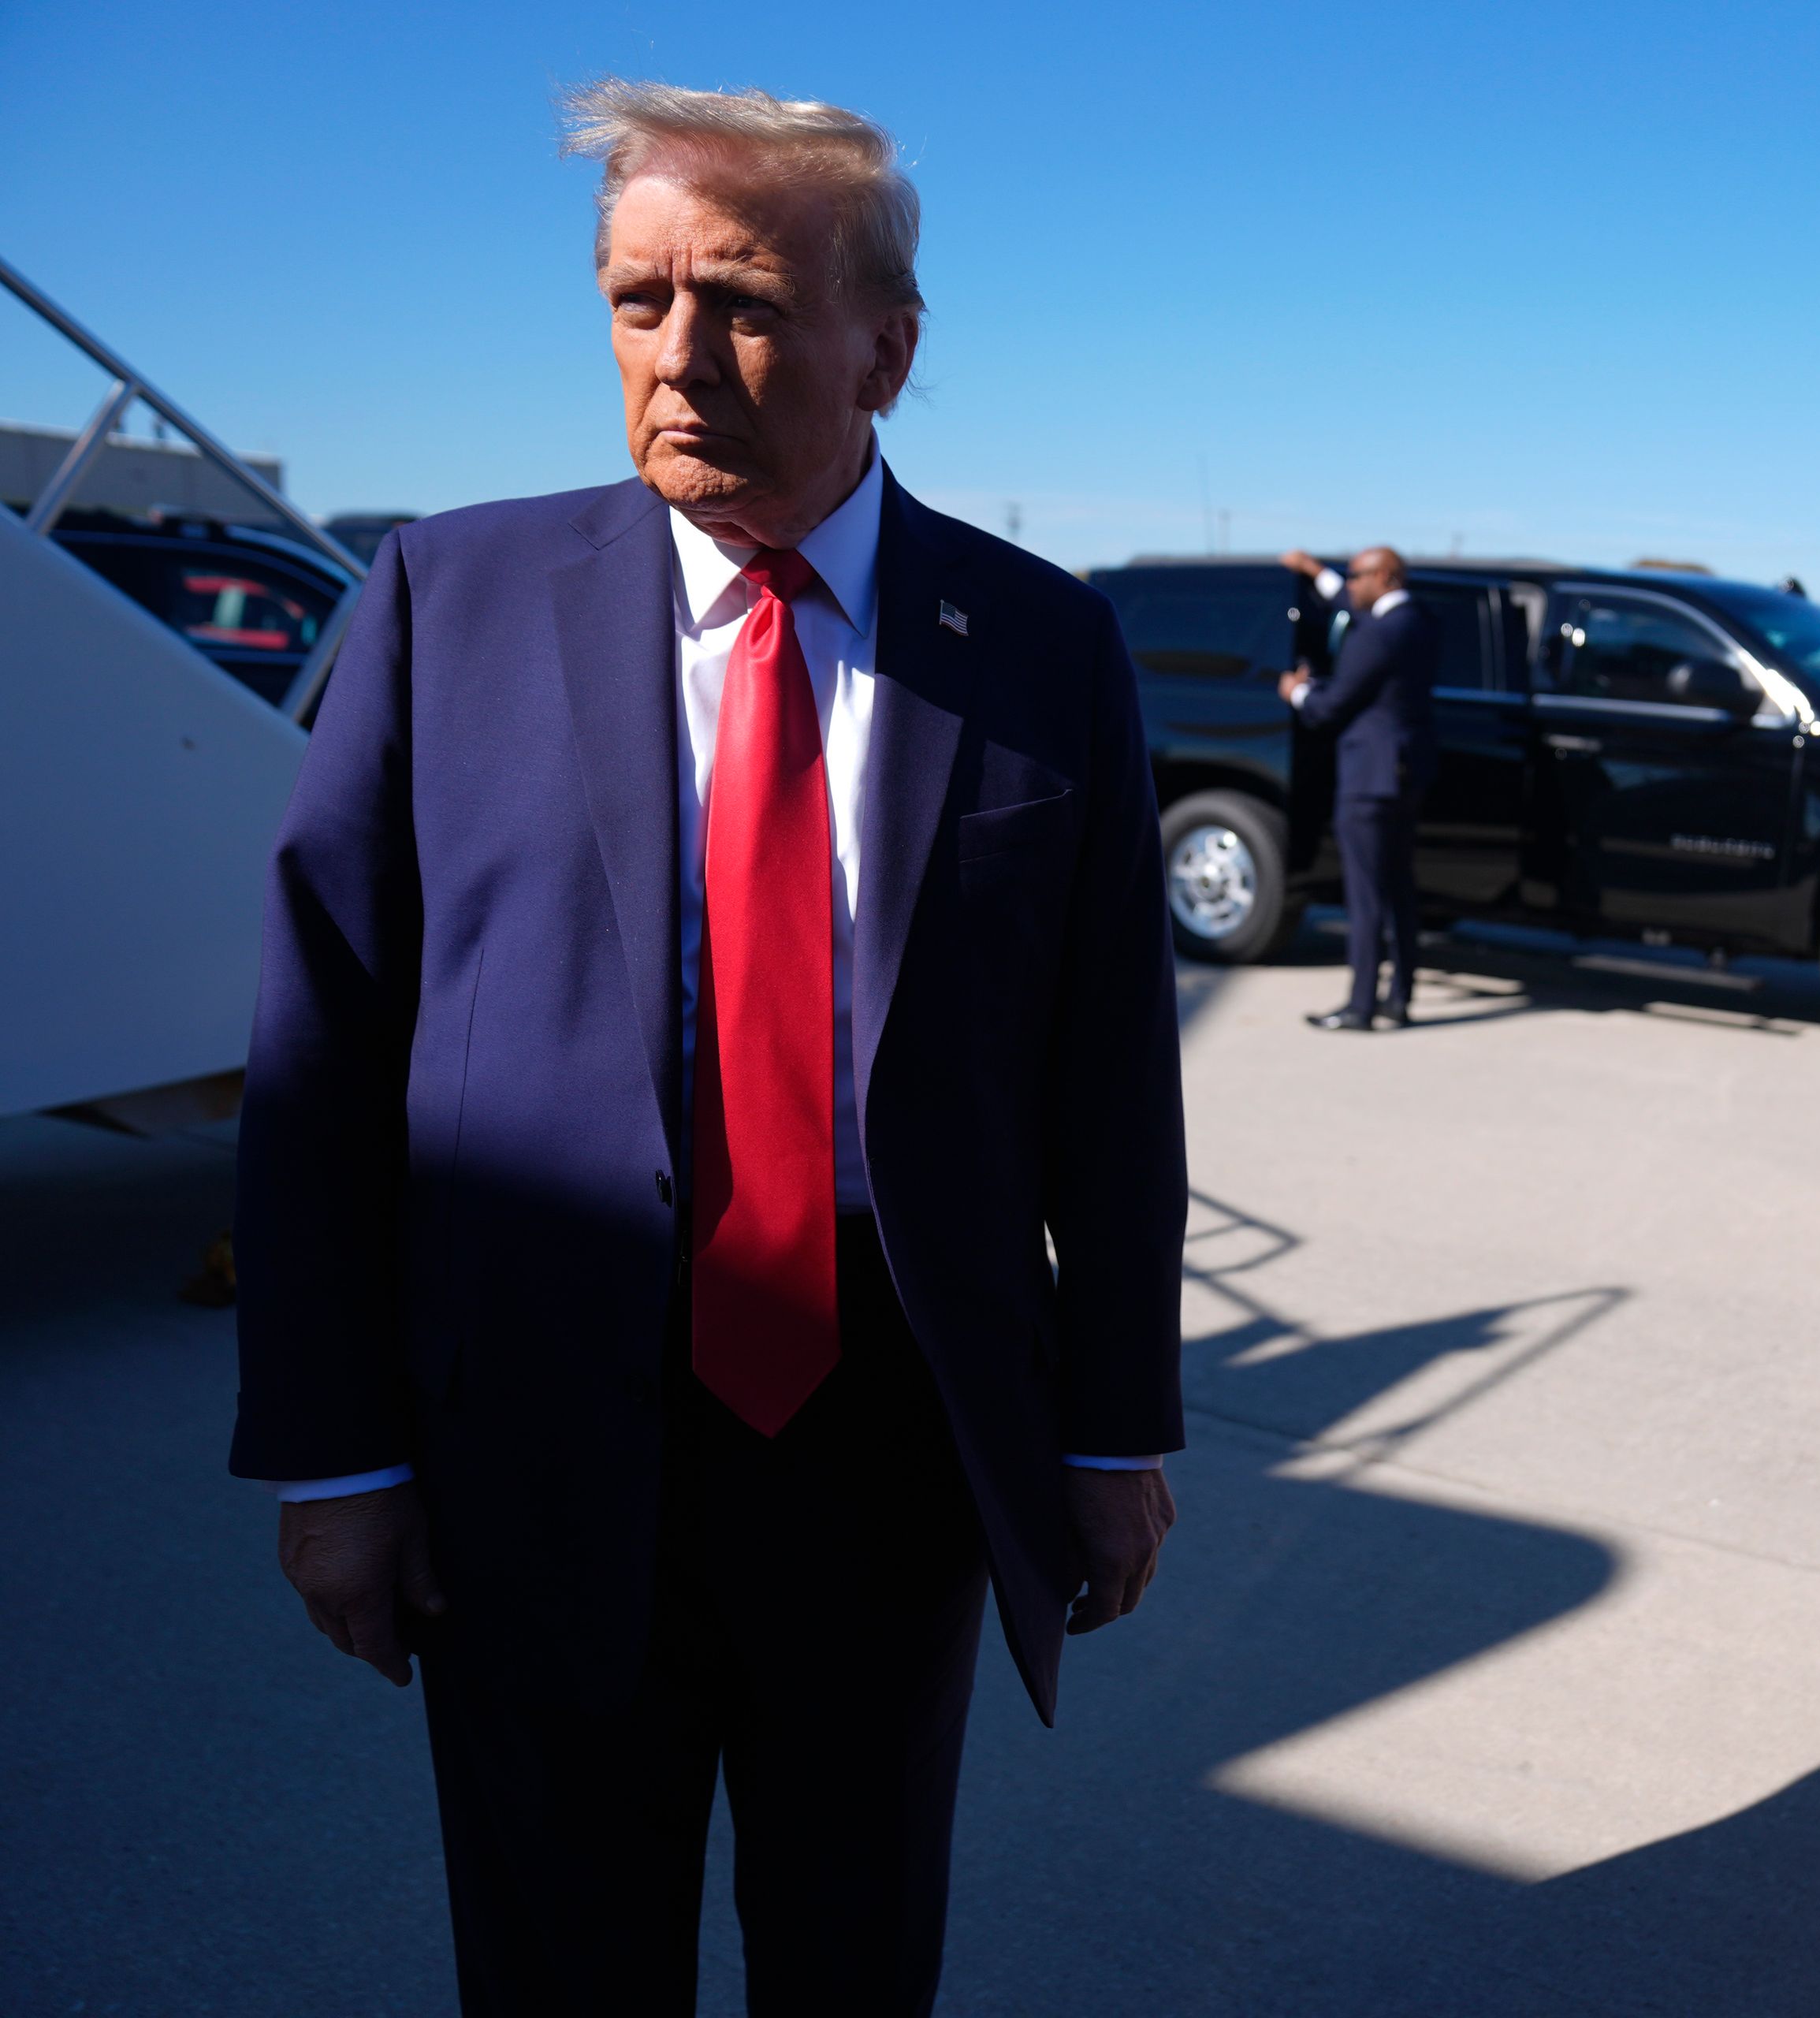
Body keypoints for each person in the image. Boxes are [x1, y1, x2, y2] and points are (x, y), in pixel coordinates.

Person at [229, 83, 1185, 2012]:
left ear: (885, 348)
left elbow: (1103, 1071)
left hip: (886, 1440)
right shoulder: (450, 596)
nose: (678, 358)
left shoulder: (1037, 642)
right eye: (635, 300)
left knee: (852, 1945)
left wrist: (1111, 1422)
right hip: (532, 1432)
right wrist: (334, 1447)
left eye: (741, 301)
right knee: (556, 1953)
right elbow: (322, 1038)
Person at [1279, 546, 1441, 1029]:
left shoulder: (1376, 635)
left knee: (1366, 895)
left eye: (1357, 576)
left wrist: (1298, 693)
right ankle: (1399, 997)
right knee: (1398, 889)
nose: (1349, 584)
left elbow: (1333, 706)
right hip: (1405, 771)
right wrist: (1316, 573)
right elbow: (1353, 605)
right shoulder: (1420, 621)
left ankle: (1360, 1005)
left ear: (1386, 577)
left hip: (1369, 776)